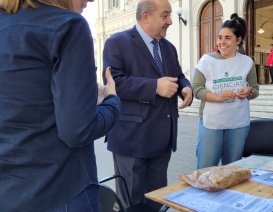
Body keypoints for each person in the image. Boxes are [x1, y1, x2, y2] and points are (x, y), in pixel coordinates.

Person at [0, 0, 120, 211]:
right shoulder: (67, 25)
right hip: (61, 192)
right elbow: (78, 130)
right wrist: (112, 101)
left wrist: (82, 99)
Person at [102, 0, 193, 209]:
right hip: (132, 139)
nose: (170, 21)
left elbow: (178, 76)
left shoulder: (168, 48)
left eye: (170, 15)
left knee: (157, 199)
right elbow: (114, 82)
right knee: (132, 202)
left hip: (162, 140)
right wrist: (154, 87)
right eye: (165, 15)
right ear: (145, 16)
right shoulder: (117, 42)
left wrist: (185, 88)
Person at [192, 13, 259, 169]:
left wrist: (249, 92)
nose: (222, 42)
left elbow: (255, 89)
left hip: (238, 122)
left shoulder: (247, 62)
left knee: (232, 168)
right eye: (220, 37)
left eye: (227, 38)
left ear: (239, 40)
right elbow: (196, 89)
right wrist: (218, 97)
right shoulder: (207, 60)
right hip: (212, 122)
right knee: (206, 168)